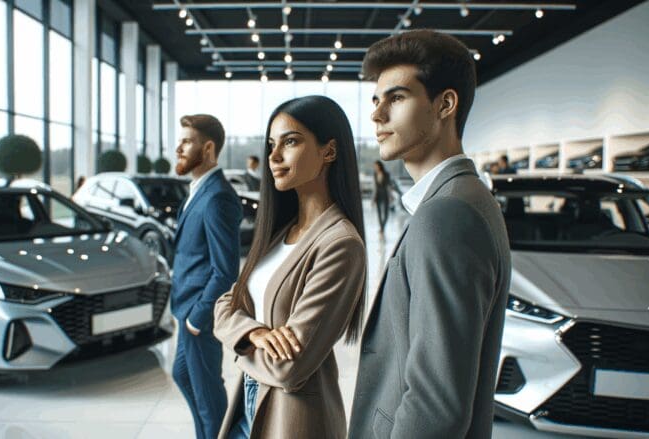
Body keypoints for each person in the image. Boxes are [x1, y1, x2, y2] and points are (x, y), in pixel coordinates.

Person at [349, 29, 512, 438]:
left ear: (445, 104)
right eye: (376, 99)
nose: (377, 114)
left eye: (397, 98)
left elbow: (435, 403)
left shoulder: (447, 214)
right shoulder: (462, 197)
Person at [213, 95, 367, 439]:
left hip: (294, 421)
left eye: (291, 141)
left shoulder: (340, 244)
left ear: (329, 151)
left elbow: (288, 369)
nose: (274, 157)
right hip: (248, 406)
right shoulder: (280, 232)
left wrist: (236, 341)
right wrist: (254, 333)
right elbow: (225, 304)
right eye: (271, 144)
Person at [171, 114, 242, 439]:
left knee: (209, 400)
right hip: (187, 312)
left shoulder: (217, 196)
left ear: (209, 148)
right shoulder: (199, 188)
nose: (178, 147)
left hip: (197, 316)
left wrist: (198, 318)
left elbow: (225, 269)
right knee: (184, 377)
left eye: (186, 141)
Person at [372, 160, 393, 233]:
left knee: (386, 213)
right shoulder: (375, 174)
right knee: (379, 213)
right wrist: (373, 199)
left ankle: (382, 227)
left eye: (376, 166)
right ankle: (381, 228)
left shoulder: (386, 174)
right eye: (374, 166)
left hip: (385, 194)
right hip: (378, 195)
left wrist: (391, 196)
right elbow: (375, 187)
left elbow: (388, 186)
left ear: (380, 166)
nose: (375, 167)